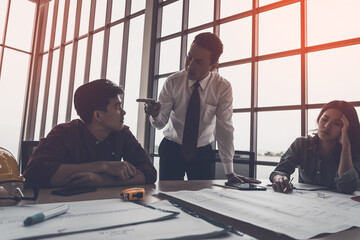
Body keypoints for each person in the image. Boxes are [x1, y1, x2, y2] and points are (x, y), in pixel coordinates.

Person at [137, 32, 259, 184]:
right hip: (171, 149)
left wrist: (229, 171)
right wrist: (155, 114)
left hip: (202, 153)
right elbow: (160, 124)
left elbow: (224, 128)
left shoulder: (222, 87)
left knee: (203, 199)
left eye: (199, 62)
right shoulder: (173, 82)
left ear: (213, 66)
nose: (190, 65)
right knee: (167, 199)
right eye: (189, 57)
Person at [24, 79, 157, 188]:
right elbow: (33, 172)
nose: (123, 112)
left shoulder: (122, 134)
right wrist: (102, 166)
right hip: (60, 206)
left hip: (103, 207)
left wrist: (103, 180)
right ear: (98, 115)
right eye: (117, 106)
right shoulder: (64, 132)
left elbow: (149, 172)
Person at [270, 100, 360, 194]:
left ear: (347, 129)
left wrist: (346, 146)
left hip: (342, 207)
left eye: (337, 124)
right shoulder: (301, 144)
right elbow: (280, 171)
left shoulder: (354, 151)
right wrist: (280, 179)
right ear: (318, 119)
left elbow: (347, 188)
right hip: (305, 205)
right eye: (324, 119)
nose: (326, 126)